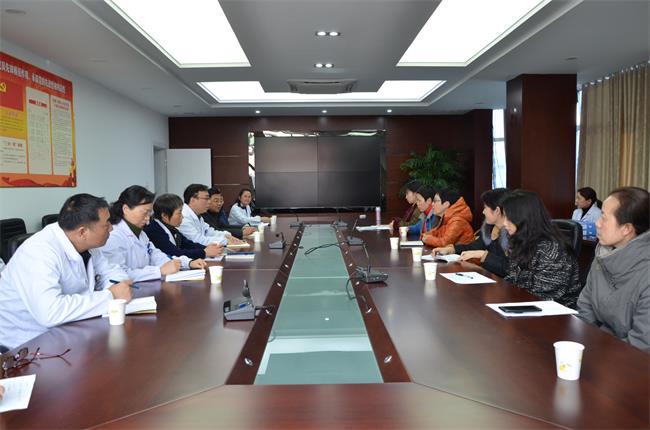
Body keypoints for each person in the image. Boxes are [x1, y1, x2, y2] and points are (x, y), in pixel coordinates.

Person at [0, 194, 132, 349]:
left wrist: (115, 288)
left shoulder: (85, 243)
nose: (111, 228)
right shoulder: (38, 253)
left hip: (69, 330)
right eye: (106, 224)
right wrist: (110, 295)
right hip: (27, 344)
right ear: (82, 232)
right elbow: (50, 313)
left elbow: (113, 272)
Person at [577, 186, 649, 352]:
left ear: (626, 229)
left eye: (604, 217)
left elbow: (642, 344)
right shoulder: (604, 255)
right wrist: (590, 345)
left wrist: (600, 354)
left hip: (631, 361)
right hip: (596, 348)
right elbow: (585, 307)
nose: (597, 223)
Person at [96, 186, 204, 282]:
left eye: (149, 213)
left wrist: (187, 263)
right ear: (126, 209)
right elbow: (119, 274)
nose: (148, 219)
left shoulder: (141, 233)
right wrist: (158, 271)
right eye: (144, 213)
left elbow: (156, 255)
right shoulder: (113, 236)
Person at [501, 190, 581, 308]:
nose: (504, 223)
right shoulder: (521, 240)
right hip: (526, 304)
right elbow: (513, 278)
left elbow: (542, 296)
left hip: (555, 313)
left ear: (523, 218)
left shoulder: (552, 250)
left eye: (508, 217)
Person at [433, 188, 510, 277]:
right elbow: (472, 247)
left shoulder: (513, 234)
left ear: (497, 211)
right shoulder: (489, 230)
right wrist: (451, 249)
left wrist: (483, 255)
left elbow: (510, 269)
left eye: (485, 208)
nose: (483, 212)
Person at [144, 193, 224, 260]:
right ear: (165, 215)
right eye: (179, 213)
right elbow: (175, 252)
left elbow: (187, 244)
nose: (182, 217)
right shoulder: (154, 231)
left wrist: (207, 248)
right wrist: (204, 252)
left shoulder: (171, 228)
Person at [178, 184, 244, 246]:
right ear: (193, 200)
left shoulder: (198, 216)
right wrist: (225, 241)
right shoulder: (184, 216)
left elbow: (209, 232)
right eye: (206, 199)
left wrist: (227, 236)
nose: (209, 202)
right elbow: (198, 240)